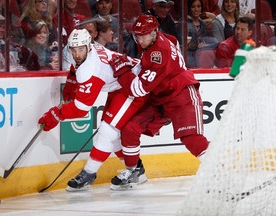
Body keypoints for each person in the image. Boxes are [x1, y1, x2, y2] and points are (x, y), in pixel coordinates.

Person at [38, 28, 148, 191]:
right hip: (119, 85)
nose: (77, 54)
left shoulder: (91, 70)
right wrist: (71, 84)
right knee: (112, 133)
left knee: (107, 130)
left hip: (135, 84)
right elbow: (76, 67)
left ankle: (89, 173)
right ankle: (136, 170)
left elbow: (81, 109)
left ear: (88, 47)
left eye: (80, 49)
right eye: (73, 49)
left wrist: (56, 115)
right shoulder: (81, 51)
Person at [108, 14, 209, 190]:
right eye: (137, 35)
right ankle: (134, 172)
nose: (140, 39)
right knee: (130, 128)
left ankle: (221, 170)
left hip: (181, 95)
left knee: (191, 138)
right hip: (159, 97)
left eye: (144, 35)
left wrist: (122, 71)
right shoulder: (164, 38)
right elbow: (153, 62)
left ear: (155, 32)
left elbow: (138, 89)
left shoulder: (158, 54)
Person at [179, 0, 218, 68]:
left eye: (198, 6)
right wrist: (197, 45)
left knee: (215, 41)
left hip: (202, 54)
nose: (196, 9)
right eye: (193, 7)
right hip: (189, 56)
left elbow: (205, 40)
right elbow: (181, 44)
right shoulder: (183, 23)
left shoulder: (203, 23)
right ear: (189, 8)